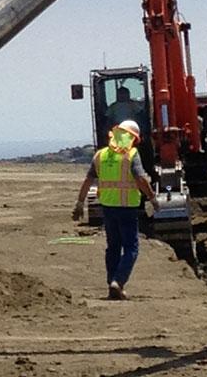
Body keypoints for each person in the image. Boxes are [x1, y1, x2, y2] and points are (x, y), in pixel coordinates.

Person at [71, 119, 157, 300]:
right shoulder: (131, 155)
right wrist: (152, 198)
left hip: (108, 208)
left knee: (113, 247)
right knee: (131, 248)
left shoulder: (100, 155)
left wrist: (80, 203)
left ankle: (112, 282)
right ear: (132, 138)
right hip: (127, 209)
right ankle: (118, 281)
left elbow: (88, 180)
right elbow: (141, 179)